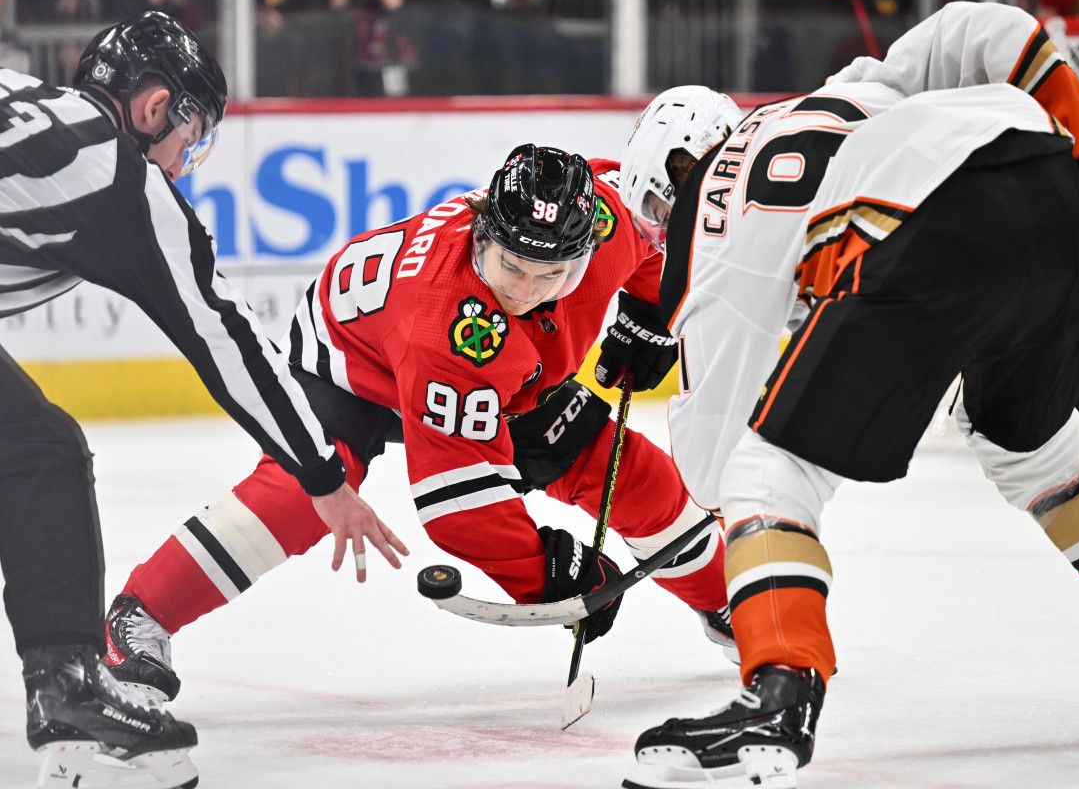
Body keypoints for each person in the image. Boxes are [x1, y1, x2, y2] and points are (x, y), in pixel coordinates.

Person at [616, 2, 1079, 788]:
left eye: (655, 208)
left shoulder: (705, 213)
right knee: (1036, 450)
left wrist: (735, 546)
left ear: (672, 177)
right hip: (1056, 197)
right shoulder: (837, 94)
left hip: (931, 238)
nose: (658, 228)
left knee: (766, 473)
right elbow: (980, 29)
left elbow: (716, 449)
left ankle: (779, 695)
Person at [101, 143, 733, 705]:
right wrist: (543, 576)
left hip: (511, 377)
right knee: (308, 490)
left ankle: (725, 603)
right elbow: (455, 505)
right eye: (511, 267)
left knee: (628, 472)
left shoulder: (606, 221)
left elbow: (652, 251)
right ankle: (139, 615)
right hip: (352, 364)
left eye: (553, 277)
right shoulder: (451, 329)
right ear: (482, 235)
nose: (526, 291)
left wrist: (649, 315)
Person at [0, 11, 403, 789]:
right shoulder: (119, 175)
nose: (186, 165)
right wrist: (322, 476)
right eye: (193, 138)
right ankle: (69, 691)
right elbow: (230, 345)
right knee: (39, 455)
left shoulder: (23, 95)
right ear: (153, 108)